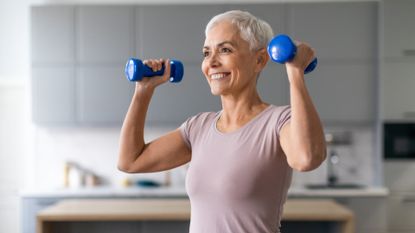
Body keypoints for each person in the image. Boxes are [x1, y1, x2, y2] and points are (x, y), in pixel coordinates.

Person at [118, 10, 326, 233]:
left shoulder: (277, 122)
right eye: (207, 53)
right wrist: (143, 90)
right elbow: (131, 161)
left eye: (225, 50)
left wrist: (295, 72)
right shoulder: (198, 127)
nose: (212, 62)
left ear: (260, 60)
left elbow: (306, 159)